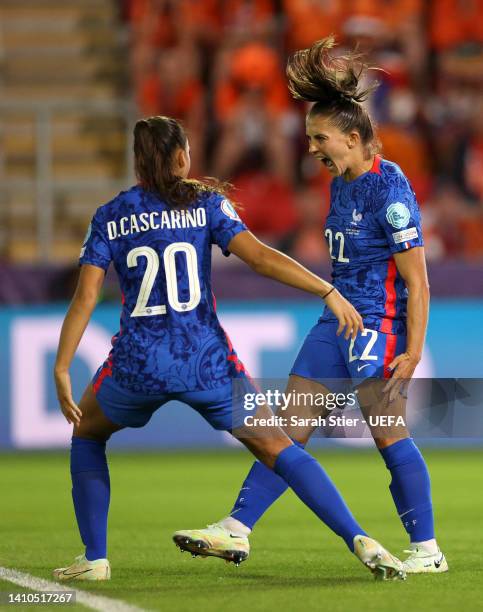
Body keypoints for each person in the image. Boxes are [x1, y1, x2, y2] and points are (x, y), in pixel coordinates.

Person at [52, 115, 406, 583]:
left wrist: (62, 366)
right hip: (206, 361)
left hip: (138, 362)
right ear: (182, 156)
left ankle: (94, 558)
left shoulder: (111, 215)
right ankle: (358, 537)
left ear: (137, 162)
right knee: (280, 448)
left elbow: (86, 297)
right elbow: (259, 257)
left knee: (88, 436)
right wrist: (327, 290)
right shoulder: (206, 204)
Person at [173, 37, 448, 575]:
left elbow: (419, 280)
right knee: (288, 428)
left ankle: (427, 550)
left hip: (376, 323)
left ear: (353, 137)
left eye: (319, 139)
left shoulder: (389, 192)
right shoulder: (341, 182)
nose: (311, 149)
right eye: (308, 138)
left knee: (387, 432)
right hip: (335, 320)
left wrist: (412, 352)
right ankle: (237, 529)